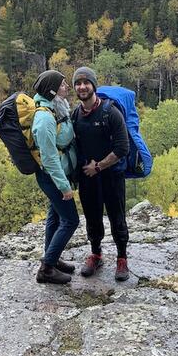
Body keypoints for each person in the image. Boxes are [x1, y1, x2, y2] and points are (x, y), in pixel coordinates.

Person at [71, 66, 131, 281]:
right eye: (78, 83)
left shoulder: (110, 112)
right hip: (88, 179)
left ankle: (122, 258)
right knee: (92, 217)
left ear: (93, 85)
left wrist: (98, 167)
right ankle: (96, 254)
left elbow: (123, 148)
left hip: (112, 176)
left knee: (117, 217)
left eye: (86, 82)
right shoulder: (76, 115)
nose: (82, 86)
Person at [32, 69, 79, 284]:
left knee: (55, 216)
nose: (67, 87)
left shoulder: (53, 109)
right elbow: (49, 159)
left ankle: (53, 256)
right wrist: (64, 187)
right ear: (52, 90)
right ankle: (47, 269)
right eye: (62, 85)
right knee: (71, 220)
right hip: (52, 177)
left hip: (57, 174)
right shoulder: (44, 118)